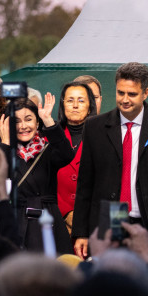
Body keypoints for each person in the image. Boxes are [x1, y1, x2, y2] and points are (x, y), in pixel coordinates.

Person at [72, 62, 148, 259]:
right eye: (120, 93)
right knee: (113, 284)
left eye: (132, 94)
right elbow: (85, 185)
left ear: (146, 92)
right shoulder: (95, 127)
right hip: (111, 218)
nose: (125, 100)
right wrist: (80, 232)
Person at [0, 97, 75, 253]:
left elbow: (67, 155)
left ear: (37, 123)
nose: (23, 126)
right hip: (16, 220)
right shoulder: (3, 149)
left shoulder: (48, 149)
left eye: (29, 119)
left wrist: (48, 119)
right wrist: (5, 143)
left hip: (47, 220)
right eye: (16, 121)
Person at [55, 80, 97, 231]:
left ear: (90, 105)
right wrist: (65, 213)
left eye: (81, 100)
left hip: (93, 222)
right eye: (70, 100)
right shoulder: (49, 138)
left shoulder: (103, 136)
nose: (75, 105)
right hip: (57, 222)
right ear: (63, 104)